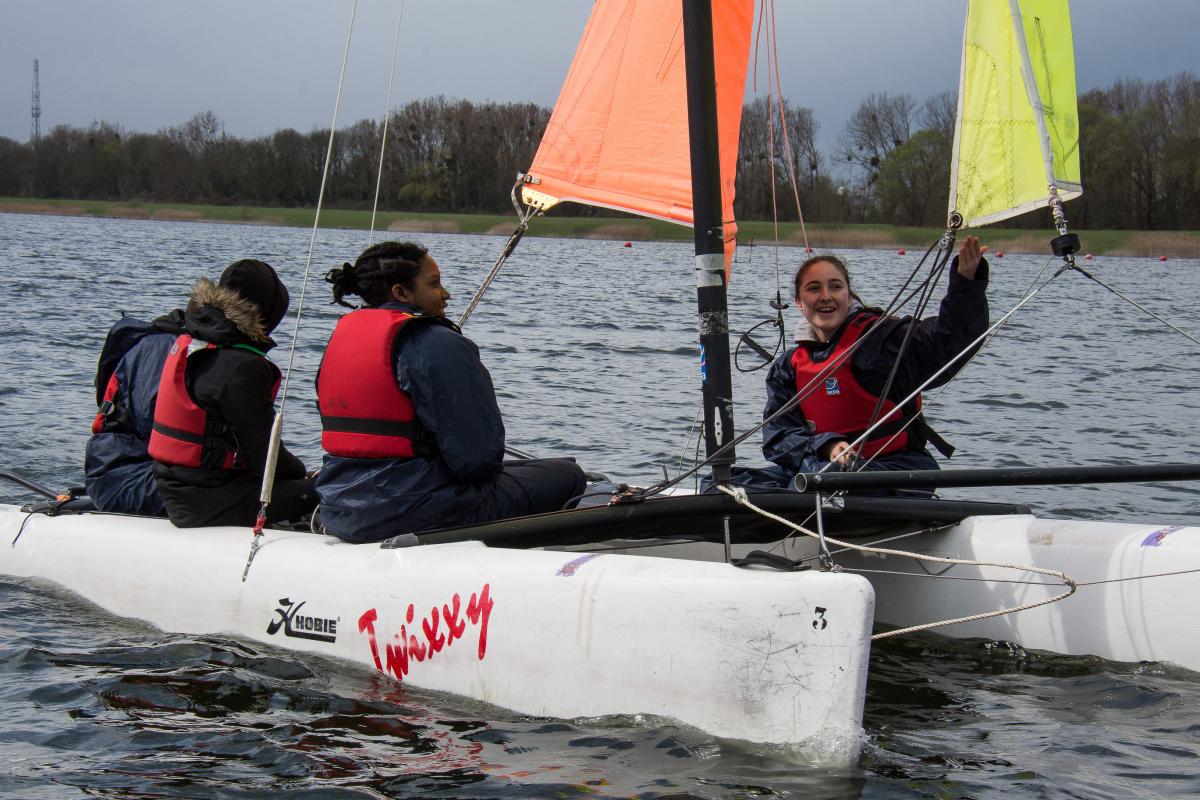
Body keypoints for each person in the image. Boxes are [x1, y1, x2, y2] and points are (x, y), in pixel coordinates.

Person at [314, 240, 587, 543]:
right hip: (414, 510)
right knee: (567, 474)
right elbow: (478, 460)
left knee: (527, 469)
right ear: (401, 293)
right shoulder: (437, 343)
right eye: (434, 284)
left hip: (340, 509)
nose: (445, 294)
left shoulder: (341, 340)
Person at [761, 237, 990, 481]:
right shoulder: (788, 367)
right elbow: (778, 435)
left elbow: (948, 342)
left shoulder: (881, 340)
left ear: (849, 297)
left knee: (831, 478)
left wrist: (965, 283)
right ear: (798, 301)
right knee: (732, 484)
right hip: (818, 468)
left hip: (894, 470)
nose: (826, 296)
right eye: (814, 288)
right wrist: (827, 446)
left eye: (835, 287)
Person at [149, 259, 317, 527]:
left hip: (177, 491)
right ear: (265, 313)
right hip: (212, 501)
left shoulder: (195, 341)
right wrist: (304, 476)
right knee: (332, 486)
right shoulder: (242, 367)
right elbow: (266, 458)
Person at [84, 308, 186, 515]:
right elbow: (153, 421)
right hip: (121, 474)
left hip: (142, 466)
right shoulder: (162, 347)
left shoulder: (187, 347)